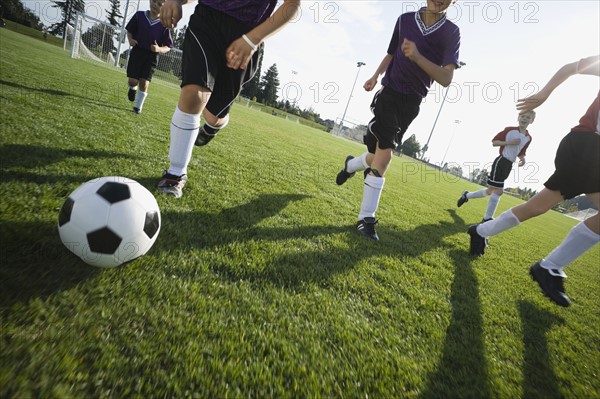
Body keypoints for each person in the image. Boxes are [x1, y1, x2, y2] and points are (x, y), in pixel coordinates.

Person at [468, 55, 600, 307]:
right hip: (586, 145)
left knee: (537, 207)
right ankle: (550, 267)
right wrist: (544, 93)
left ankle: (480, 230)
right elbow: (572, 67)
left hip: (588, 151)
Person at [335, 0, 461, 240]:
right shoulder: (404, 20)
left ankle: (351, 165)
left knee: (377, 155)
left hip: (412, 103)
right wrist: (374, 76)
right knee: (386, 154)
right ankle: (366, 219)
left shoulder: (451, 32)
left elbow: (446, 78)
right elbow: (391, 54)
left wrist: (417, 57)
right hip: (389, 94)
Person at [156, 0, 301, 198]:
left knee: (213, 114)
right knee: (195, 96)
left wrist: (252, 40)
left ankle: (216, 124)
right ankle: (175, 173)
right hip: (207, 20)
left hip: (249, 33)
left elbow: (292, 5)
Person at [457, 111, 535, 223]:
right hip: (500, 161)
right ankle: (487, 218)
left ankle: (467, 195)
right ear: (518, 117)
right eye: (522, 116)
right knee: (498, 191)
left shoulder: (528, 138)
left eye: (528, 117)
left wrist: (522, 158)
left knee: (490, 191)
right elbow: (494, 142)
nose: (524, 119)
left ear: (531, 121)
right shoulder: (509, 130)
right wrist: (509, 142)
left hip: (509, 165)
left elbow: (521, 151)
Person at [125, 0, 173, 114]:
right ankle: (132, 88)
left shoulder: (165, 24)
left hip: (151, 57)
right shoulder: (139, 16)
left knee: (144, 83)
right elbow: (129, 31)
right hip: (137, 52)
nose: (155, 5)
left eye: (159, 4)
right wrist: (131, 40)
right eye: (154, 1)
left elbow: (168, 46)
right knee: (133, 81)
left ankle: (137, 108)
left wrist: (159, 49)